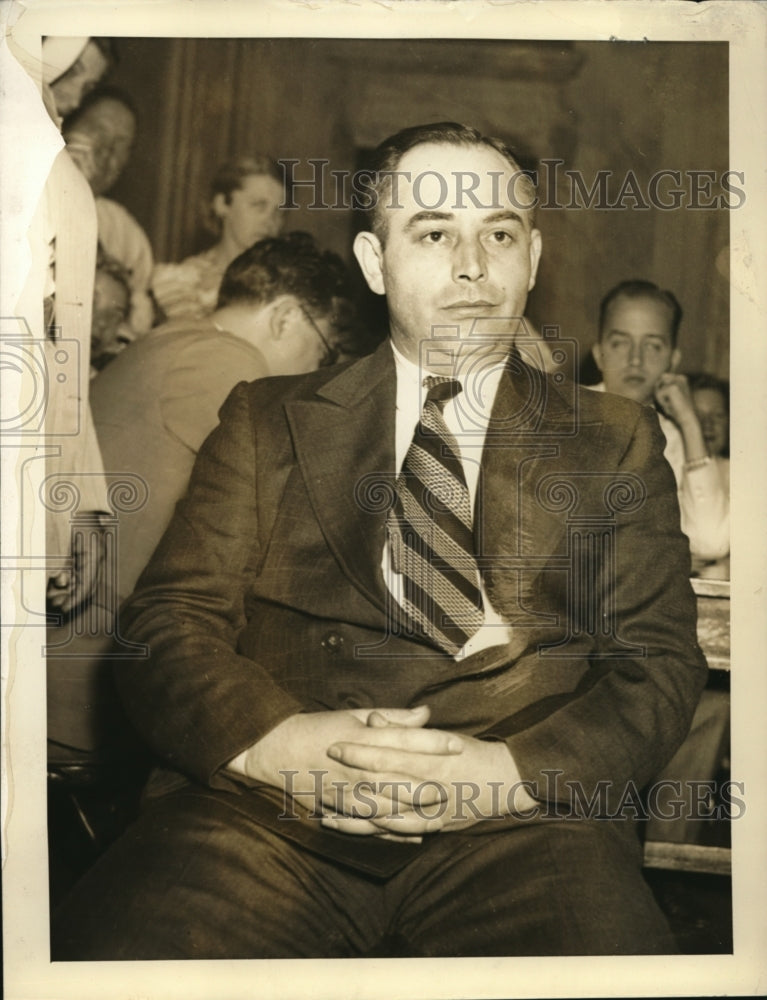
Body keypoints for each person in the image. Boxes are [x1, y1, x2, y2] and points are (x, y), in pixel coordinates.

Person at [52, 122, 707, 959]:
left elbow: (658, 662)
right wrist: (275, 746)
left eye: (498, 235)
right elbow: (167, 622)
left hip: (527, 827)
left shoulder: (612, 438)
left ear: (533, 259)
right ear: (373, 261)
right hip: (266, 815)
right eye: (432, 234)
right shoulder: (267, 417)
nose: (471, 266)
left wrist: (504, 778)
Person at [90, 231, 352, 607]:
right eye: (324, 353)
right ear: (284, 318)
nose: (315, 370)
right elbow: (292, 505)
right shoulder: (229, 358)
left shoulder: (174, 336)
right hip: (103, 615)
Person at [591, 280, 729, 565]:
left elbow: (711, 541)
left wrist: (689, 423)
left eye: (653, 346)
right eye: (620, 343)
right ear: (598, 353)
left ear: (672, 361)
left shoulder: (676, 440)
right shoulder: (557, 419)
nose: (636, 359)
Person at [63, 87, 155, 335]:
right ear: (63, 129)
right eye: (98, 131)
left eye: (121, 144)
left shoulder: (123, 231)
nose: (106, 150)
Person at [150, 155, 285, 321]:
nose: (270, 221)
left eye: (278, 212)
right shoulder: (180, 281)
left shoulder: (281, 285)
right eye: (258, 205)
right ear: (221, 204)